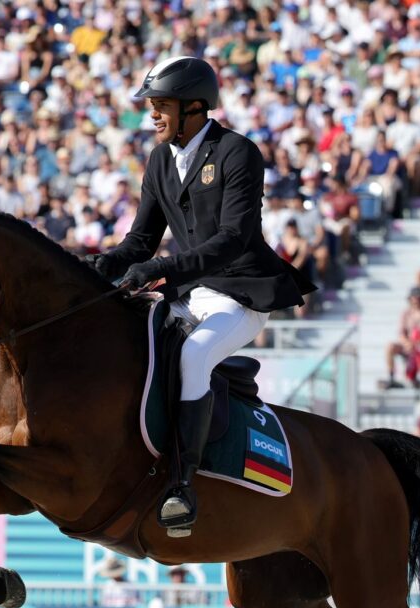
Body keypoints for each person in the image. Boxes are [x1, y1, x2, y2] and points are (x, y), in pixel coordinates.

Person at [89, 57, 317, 534]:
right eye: (151, 105)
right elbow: (139, 243)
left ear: (194, 107)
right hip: (188, 294)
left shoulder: (237, 152)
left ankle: (182, 485)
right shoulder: (158, 160)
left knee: (192, 357)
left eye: (161, 105)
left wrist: (161, 268)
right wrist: (96, 267)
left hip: (240, 296)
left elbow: (233, 238)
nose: (151, 114)